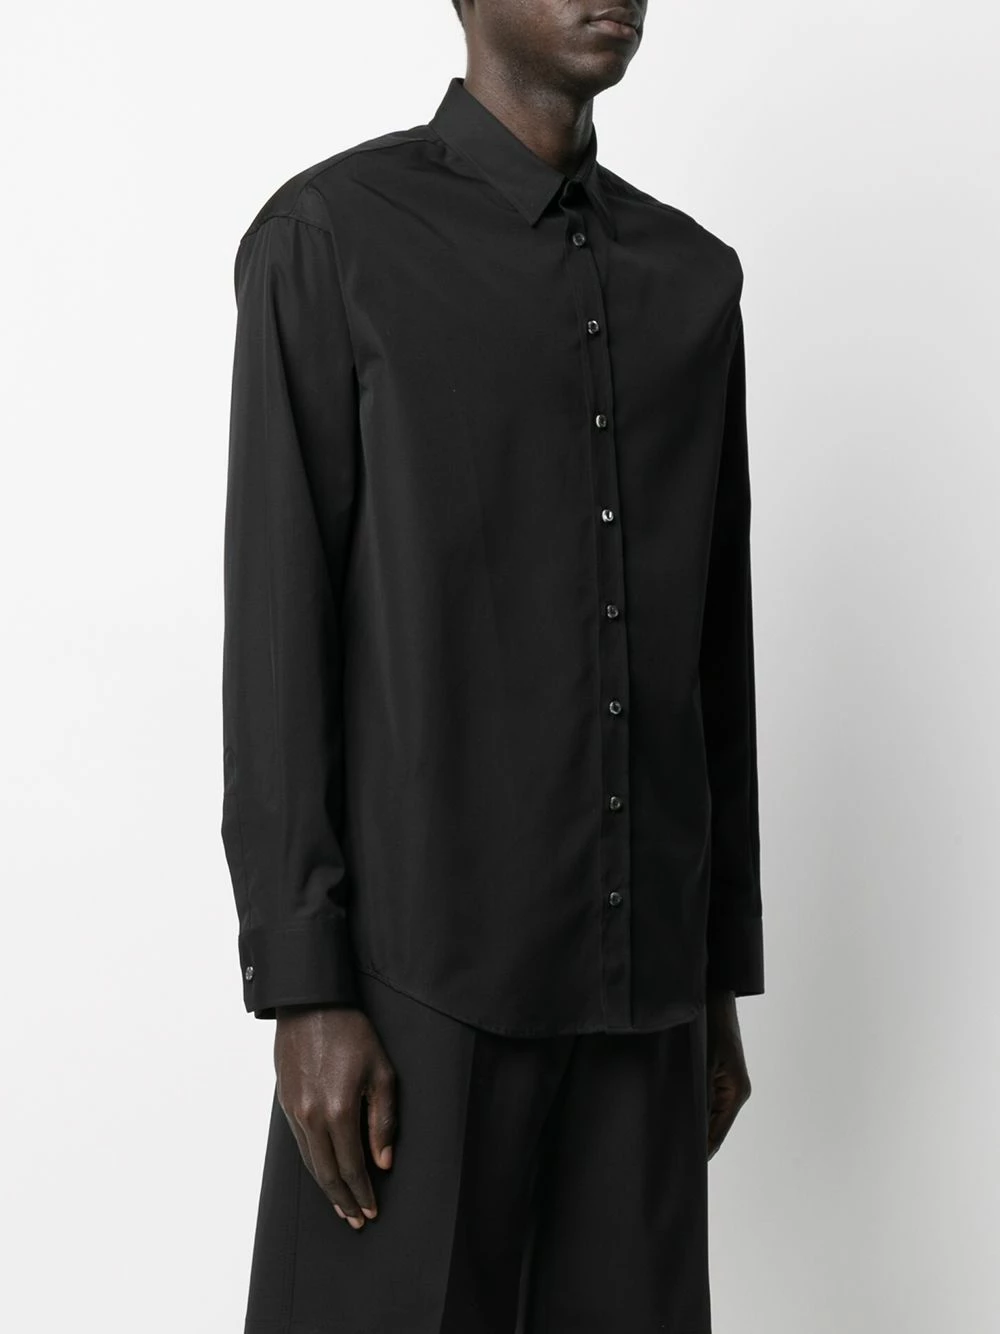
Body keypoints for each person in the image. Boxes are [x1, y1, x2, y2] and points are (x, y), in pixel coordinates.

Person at [221, 1, 764, 1329]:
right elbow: (280, 634)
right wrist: (305, 987)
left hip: (643, 996)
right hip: (415, 997)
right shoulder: (332, 241)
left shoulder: (695, 283)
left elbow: (713, 651)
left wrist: (712, 976)